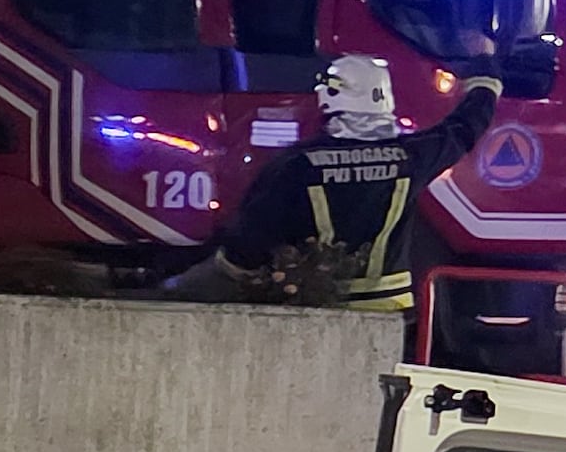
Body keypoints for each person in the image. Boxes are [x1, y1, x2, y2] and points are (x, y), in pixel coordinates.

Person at [169, 55, 501, 311]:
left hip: (319, 309)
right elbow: (463, 128)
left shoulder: (297, 165)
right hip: (391, 311)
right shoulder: (413, 157)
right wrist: (486, 82)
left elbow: (249, 243)